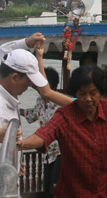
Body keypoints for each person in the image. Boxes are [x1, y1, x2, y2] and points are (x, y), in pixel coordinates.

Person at [17, 65, 107, 198]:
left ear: (101, 92)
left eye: (93, 93)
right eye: (82, 93)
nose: (88, 99)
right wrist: (21, 144)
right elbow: (44, 135)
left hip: (106, 191)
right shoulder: (64, 115)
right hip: (72, 192)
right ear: (75, 93)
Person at [20, 67, 61, 196]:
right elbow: (32, 115)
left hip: (61, 152)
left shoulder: (60, 102)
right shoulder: (39, 102)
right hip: (47, 154)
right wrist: (15, 109)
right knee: (47, 187)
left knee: (56, 188)